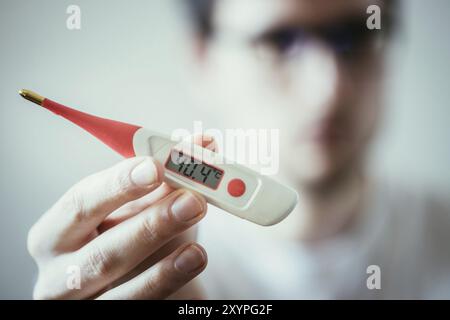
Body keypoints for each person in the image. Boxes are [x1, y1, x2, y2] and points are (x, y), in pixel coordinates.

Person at [27, 0, 450, 299]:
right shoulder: (138, 267)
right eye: (278, 42)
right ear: (202, 60)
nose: (328, 89)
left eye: (355, 37)